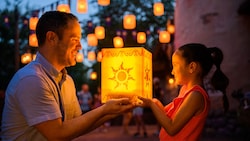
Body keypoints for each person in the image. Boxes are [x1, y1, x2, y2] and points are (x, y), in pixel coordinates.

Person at [1, 11, 134, 141]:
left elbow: (77, 126)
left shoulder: (67, 80)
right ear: (52, 38)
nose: (80, 46)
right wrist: (105, 109)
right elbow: (57, 134)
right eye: (75, 39)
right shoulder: (31, 79)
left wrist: (115, 109)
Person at [137, 43, 227, 140]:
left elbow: (172, 127)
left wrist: (151, 104)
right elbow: (167, 116)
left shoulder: (196, 95)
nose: (172, 72)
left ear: (192, 67)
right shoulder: (185, 89)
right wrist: (154, 102)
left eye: (175, 65)